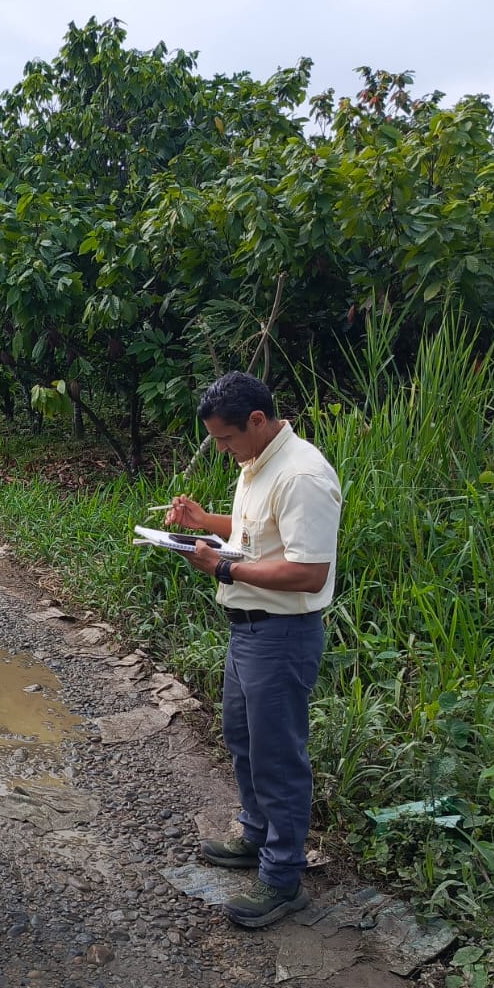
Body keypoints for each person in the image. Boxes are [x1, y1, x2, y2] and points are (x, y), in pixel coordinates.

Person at [165, 371, 342, 928]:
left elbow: (309, 572)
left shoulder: (302, 475)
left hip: (282, 635)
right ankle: (257, 835)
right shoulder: (259, 462)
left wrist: (221, 567)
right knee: (243, 740)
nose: (222, 449)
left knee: (277, 757)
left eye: (225, 438)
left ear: (258, 421)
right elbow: (256, 535)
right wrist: (205, 524)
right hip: (247, 631)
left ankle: (283, 878)